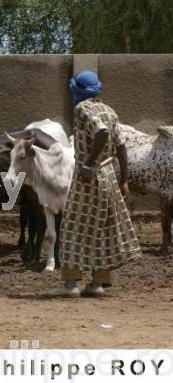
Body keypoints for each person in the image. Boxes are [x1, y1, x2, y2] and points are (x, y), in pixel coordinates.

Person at [54, 70, 141, 298]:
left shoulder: (82, 109)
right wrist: (124, 180)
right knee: (102, 226)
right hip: (109, 176)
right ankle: (98, 283)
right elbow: (121, 147)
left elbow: (101, 132)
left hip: (88, 177)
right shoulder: (109, 110)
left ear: (77, 91)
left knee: (73, 225)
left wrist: (88, 163)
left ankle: (71, 284)